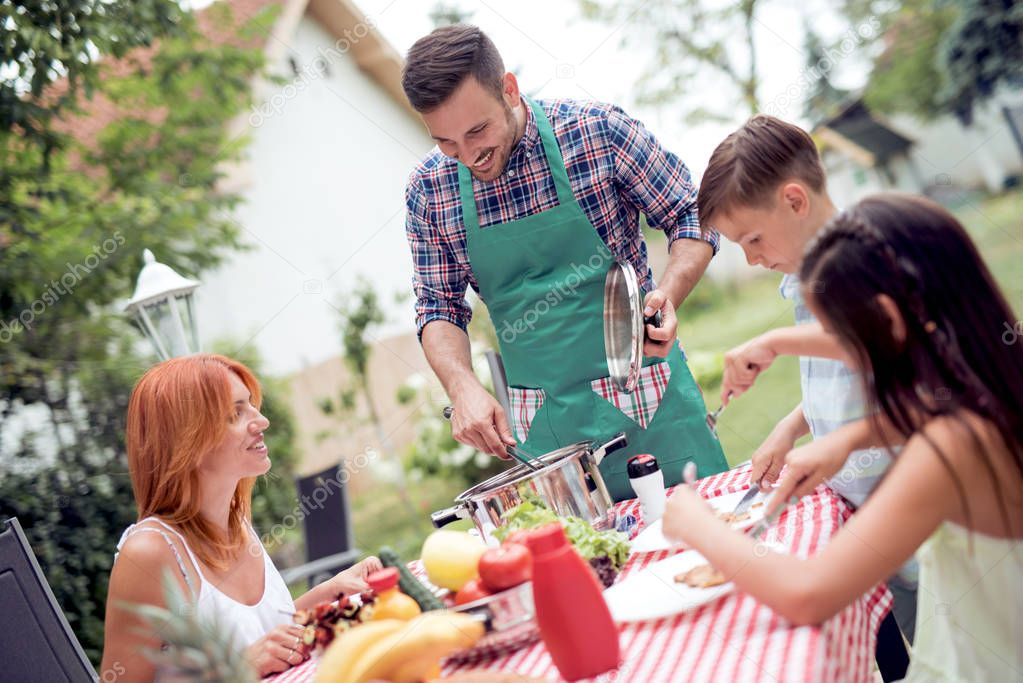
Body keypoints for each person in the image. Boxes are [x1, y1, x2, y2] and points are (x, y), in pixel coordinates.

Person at [663, 194, 1023, 681]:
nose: (830, 350)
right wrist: (848, 439)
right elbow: (925, 408)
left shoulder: (948, 449)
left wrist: (696, 524)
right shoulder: (989, 381)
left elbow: (809, 594)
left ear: (889, 321)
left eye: (839, 333)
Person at [401, 24, 726, 501]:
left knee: (715, 550)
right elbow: (438, 306)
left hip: (653, 403)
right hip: (552, 435)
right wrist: (461, 385)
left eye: (478, 130)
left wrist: (669, 294)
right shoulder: (428, 190)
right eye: (447, 143)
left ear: (508, 89)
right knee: (591, 566)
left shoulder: (596, 132)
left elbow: (691, 212)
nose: (469, 156)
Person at [697, 114, 918, 643]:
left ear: (795, 201)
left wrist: (774, 345)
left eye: (752, 239)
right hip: (865, 506)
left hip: (915, 502)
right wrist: (793, 425)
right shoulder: (806, 274)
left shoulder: (867, 259)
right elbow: (846, 368)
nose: (750, 259)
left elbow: (902, 369)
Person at [100, 354, 381, 681]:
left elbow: (260, 637)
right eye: (235, 413)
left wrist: (329, 592)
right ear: (186, 441)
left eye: (250, 405)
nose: (262, 421)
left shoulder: (236, 520)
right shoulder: (150, 553)